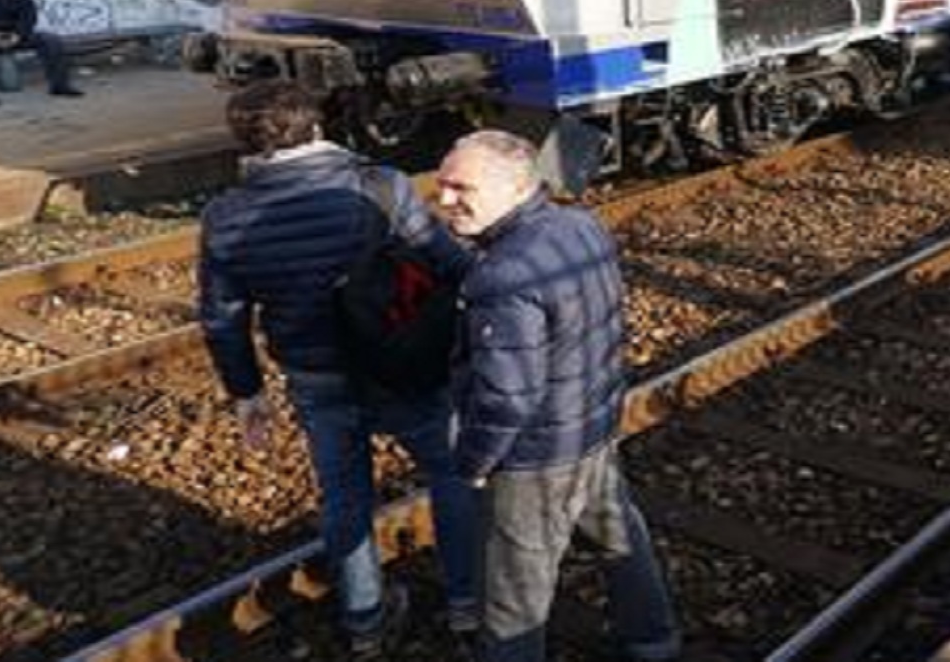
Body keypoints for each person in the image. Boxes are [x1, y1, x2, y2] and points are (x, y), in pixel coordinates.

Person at [196, 80, 478, 656]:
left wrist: (248, 395)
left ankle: (365, 625)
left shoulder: (223, 216)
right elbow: (447, 264)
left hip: (314, 374)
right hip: (405, 362)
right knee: (451, 474)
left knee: (345, 497)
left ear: (245, 144)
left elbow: (222, 318)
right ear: (317, 127)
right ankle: (469, 605)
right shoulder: (379, 185)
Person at [438, 130, 681, 662]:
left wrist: (475, 463)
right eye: (442, 186)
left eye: (461, 188)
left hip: (535, 458)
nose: (446, 201)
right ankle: (653, 639)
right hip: (591, 426)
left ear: (514, 188)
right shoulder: (580, 224)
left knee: (514, 596)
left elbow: (507, 398)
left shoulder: (500, 276)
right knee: (619, 537)